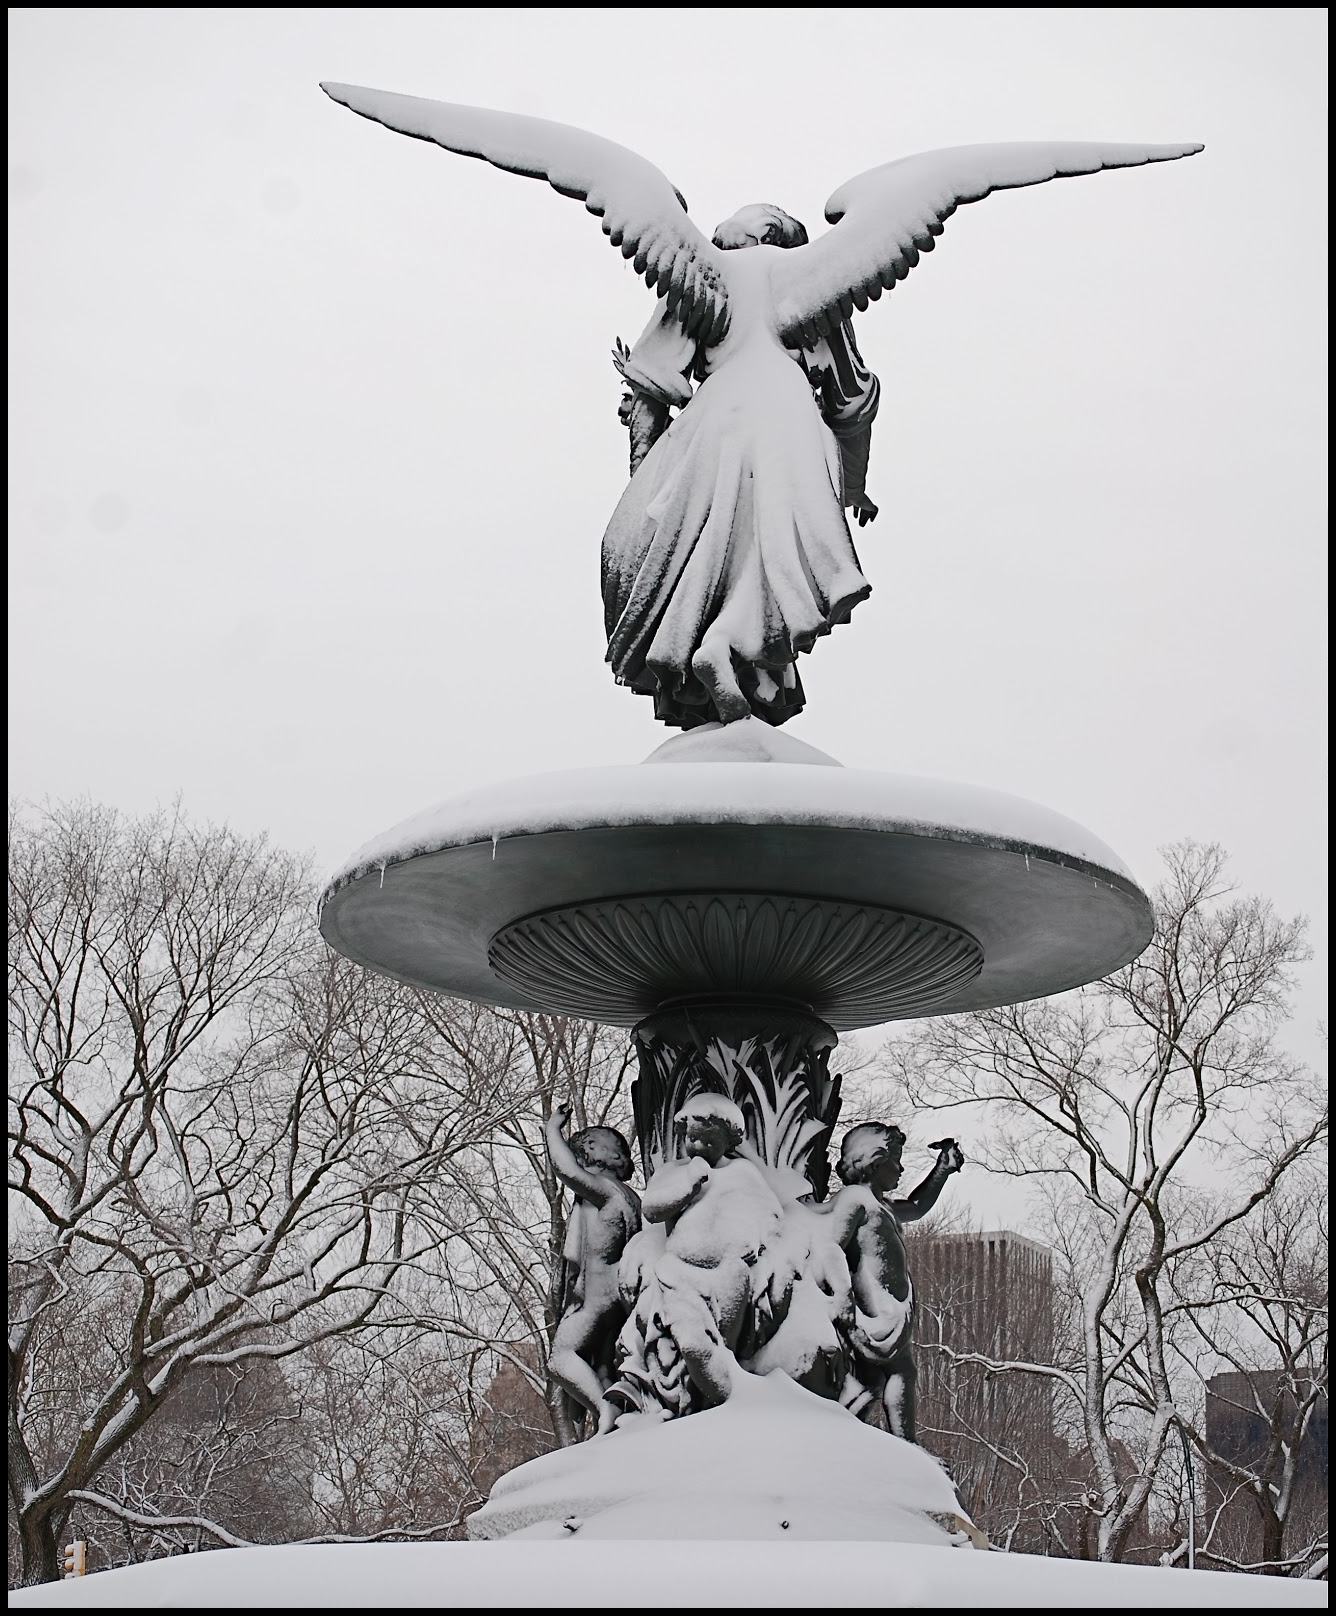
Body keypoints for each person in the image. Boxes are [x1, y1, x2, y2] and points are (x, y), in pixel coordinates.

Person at [603, 203, 880, 731]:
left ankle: (710, 646)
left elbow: (649, 390)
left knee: (713, 551)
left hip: (713, 425)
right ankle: (729, 644)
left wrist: (643, 476)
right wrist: (855, 485)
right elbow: (850, 403)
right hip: (786, 418)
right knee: (768, 549)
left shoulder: (706, 278)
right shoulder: (816, 281)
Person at [610, 1093, 786, 1415]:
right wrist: (688, 1187)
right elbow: (651, 1209)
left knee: (722, 1347)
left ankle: (721, 1407)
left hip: (729, 1274)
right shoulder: (675, 1172)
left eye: (708, 1141)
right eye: (691, 1138)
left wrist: (756, 1241)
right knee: (690, 1345)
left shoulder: (743, 1174)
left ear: (728, 1141)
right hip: (679, 1274)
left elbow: (771, 1215)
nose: (698, 1147)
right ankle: (702, 1407)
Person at [821, 1123, 964, 1442]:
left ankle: (855, 1439)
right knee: (895, 1374)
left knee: (878, 1381)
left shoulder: (883, 1207)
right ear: (873, 1160)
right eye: (895, 1160)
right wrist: (841, 1295)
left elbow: (917, 1207)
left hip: (890, 1314)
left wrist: (942, 1170)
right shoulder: (854, 1201)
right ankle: (904, 1447)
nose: (901, 1168)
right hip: (871, 1314)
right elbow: (830, 1247)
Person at [544, 1106, 642, 1433]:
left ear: (609, 1155)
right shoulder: (632, 1198)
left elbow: (565, 1170)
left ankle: (605, 1410)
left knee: (561, 1357)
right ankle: (616, 1412)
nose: (583, 1149)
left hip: (598, 1296)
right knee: (603, 1368)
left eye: (590, 1144)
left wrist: (552, 1129)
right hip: (618, 1297)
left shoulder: (605, 1190)